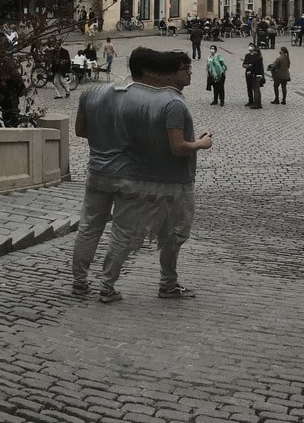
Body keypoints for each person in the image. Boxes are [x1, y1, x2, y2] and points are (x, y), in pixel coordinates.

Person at [96, 49, 212, 302]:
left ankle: (107, 286)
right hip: (173, 182)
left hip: (134, 177)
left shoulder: (132, 99)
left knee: (123, 234)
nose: (190, 74)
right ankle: (168, 284)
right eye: (186, 69)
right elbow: (178, 147)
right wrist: (201, 144)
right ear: (169, 73)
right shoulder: (174, 104)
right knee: (174, 236)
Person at [71, 55, 146, 297]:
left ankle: (79, 282)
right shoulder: (142, 100)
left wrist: (103, 139)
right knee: (122, 231)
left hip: (97, 171)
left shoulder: (90, 93)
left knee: (89, 227)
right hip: (127, 174)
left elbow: (80, 130)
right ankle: (107, 286)